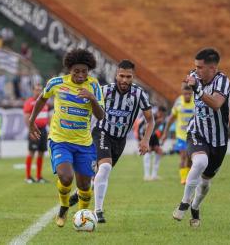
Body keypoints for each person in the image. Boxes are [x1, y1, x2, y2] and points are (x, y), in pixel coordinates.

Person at [70, 60, 154, 223]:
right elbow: (88, 109)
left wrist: (145, 140)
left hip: (120, 140)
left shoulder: (139, 94)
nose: (124, 80)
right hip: (102, 133)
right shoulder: (105, 91)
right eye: (121, 76)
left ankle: (80, 193)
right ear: (116, 75)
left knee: (101, 173)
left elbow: (150, 120)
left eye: (128, 77)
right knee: (106, 166)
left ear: (133, 77)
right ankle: (98, 211)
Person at [28, 49, 104, 227]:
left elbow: (100, 116)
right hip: (60, 141)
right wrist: (32, 121)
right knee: (66, 177)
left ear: (89, 70)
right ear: (69, 69)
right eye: (76, 70)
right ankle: (63, 207)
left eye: (84, 71)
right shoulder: (56, 83)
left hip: (84, 144)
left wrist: (92, 99)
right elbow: (41, 99)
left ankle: (82, 215)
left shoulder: (93, 86)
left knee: (85, 185)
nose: (80, 74)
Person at [172, 48, 230, 227]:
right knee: (199, 162)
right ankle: (184, 202)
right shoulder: (194, 76)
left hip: (219, 141)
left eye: (200, 67)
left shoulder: (223, 82)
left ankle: (195, 206)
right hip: (196, 132)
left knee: (205, 183)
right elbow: (191, 84)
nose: (195, 70)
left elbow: (216, 104)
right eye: (195, 66)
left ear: (212, 68)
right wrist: (194, 85)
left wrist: (197, 89)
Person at [161, 82, 194, 185]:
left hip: (193, 135)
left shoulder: (196, 102)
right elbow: (171, 118)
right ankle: (183, 179)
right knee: (183, 156)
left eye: (189, 94)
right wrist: (165, 133)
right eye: (185, 94)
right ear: (182, 93)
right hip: (181, 135)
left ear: (192, 93)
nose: (187, 96)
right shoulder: (179, 102)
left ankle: (188, 176)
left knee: (190, 159)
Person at [23, 84, 50, 183]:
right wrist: (30, 130)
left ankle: (39, 177)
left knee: (41, 152)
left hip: (43, 130)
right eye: (36, 90)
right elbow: (26, 117)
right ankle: (28, 177)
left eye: (40, 90)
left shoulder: (44, 102)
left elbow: (46, 116)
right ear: (33, 91)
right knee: (32, 152)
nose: (38, 92)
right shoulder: (29, 102)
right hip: (34, 130)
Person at [140, 106, 166, 181]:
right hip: (146, 134)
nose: (162, 115)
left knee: (159, 151)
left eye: (163, 114)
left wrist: (162, 136)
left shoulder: (162, 119)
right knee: (148, 152)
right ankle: (146, 175)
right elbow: (144, 127)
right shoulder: (152, 116)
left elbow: (162, 129)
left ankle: (154, 175)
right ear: (158, 111)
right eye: (161, 113)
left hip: (154, 135)